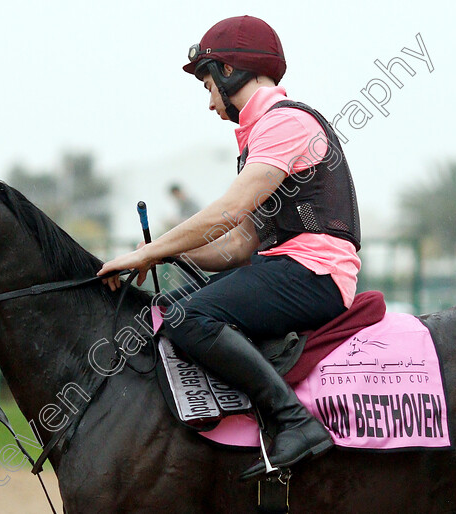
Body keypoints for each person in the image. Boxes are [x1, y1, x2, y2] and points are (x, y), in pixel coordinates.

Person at [98, 15, 361, 479]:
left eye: (206, 86)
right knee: (170, 308)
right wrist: (173, 252)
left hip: (314, 274)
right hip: (287, 267)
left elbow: (229, 211)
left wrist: (151, 250)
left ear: (227, 71)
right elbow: (239, 244)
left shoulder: (286, 123)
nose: (209, 103)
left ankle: (293, 421)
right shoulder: (262, 135)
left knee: (189, 317)